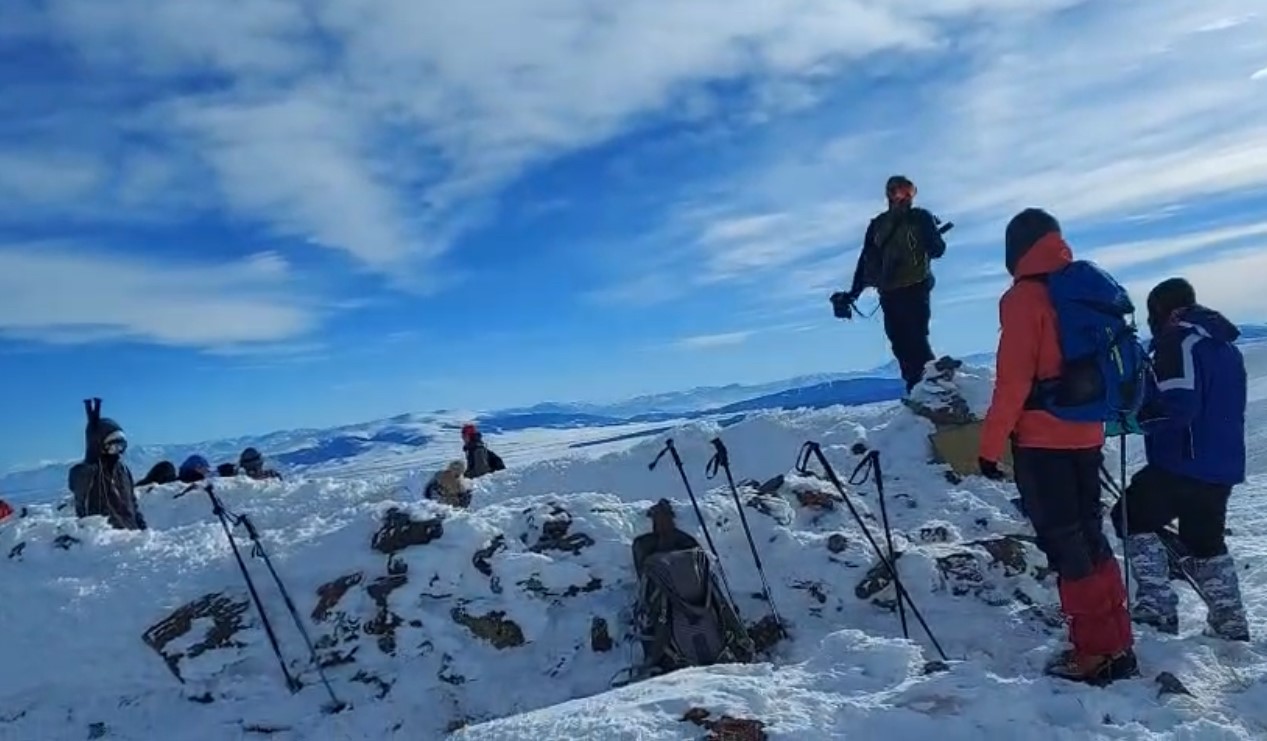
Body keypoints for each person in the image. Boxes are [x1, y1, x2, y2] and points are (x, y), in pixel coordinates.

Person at [977, 209, 1135, 684]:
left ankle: (1094, 654)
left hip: (1044, 440)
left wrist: (989, 448)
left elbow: (1013, 380)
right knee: (1090, 536)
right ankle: (1117, 643)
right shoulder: (1083, 287)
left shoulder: (1024, 298)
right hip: (1087, 433)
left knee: (1066, 544)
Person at [1109, 278, 1249, 641]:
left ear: (1164, 311)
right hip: (1222, 464)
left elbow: (1178, 405)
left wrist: (1134, 420)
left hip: (1183, 460)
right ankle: (1230, 622)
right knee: (1204, 540)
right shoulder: (1225, 347)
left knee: (1129, 516)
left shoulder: (1177, 342)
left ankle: (1157, 607)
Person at [836, 175, 948, 393]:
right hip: (893, 293)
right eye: (900, 192)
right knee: (901, 343)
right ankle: (920, 390)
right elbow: (866, 260)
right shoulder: (882, 224)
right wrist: (853, 294)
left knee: (914, 340)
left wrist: (930, 233)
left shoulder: (917, 218)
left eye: (909, 192)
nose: (905, 197)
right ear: (890, 194)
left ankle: (934, 389)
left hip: (912, 288)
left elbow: (937, 250)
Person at [68, 398, 146, 530]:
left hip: (131, 535)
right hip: (103, 536)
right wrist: (92, 450)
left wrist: (141, 527)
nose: (118, 452)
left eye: (121, 447)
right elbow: (77, 482)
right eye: (113, 447)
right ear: (99, 445)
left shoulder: (123, 470)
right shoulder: (86, 472)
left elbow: (132, 504)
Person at [631, 499, 701, 577]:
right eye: (658, 517)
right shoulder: (643, 543)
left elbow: (700, 563)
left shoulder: (687, 541)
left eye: (665, 517)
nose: (662, 521)